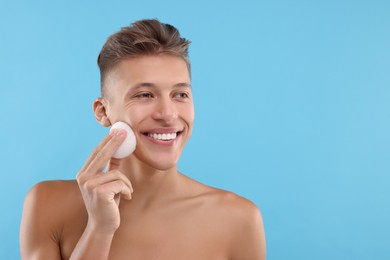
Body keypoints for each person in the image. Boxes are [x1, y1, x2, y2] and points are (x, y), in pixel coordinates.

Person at [20, 19, 266, 259]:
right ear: (103, 112)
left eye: (180, 94)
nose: (168, 114)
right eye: (145, 95)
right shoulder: (47, 204)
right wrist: (99, 230)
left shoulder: (239, 220)